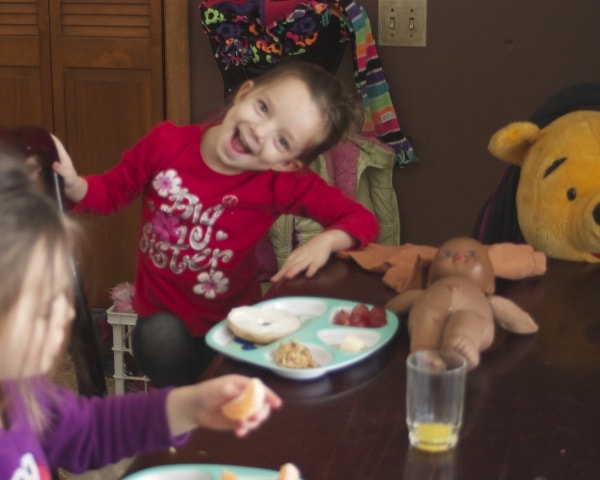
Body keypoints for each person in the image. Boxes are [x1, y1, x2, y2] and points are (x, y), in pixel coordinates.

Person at [53, 60, 380, 387]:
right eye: (263, 108)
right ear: (245, 93)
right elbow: (110, 192)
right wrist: (74, 184)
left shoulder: (280, 182)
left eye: (282, 140)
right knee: (159, 341)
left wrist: (326, 241)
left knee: (233, 398)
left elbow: (360, 219)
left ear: (287, 163)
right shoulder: (165, 144)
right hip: (163, 324)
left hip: (236, 325)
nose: (259, 130)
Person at [0, 152, 282, 478]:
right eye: (44, 306)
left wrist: (191, 405)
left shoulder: (21, 393)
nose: (66, 312)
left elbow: (87, 431)